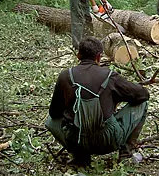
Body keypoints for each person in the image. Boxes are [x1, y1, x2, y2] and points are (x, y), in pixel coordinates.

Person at [45, 36, 149, 166]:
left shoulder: (65, 76)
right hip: (107, 141)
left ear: (78, 55)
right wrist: (114, 100)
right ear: (99, 57)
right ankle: (126, 154)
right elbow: (143, 95)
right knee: (142, 104)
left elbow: (54, 113)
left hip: (75, 140)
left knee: (49, 121)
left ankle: (80, 157)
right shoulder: (110, 76)